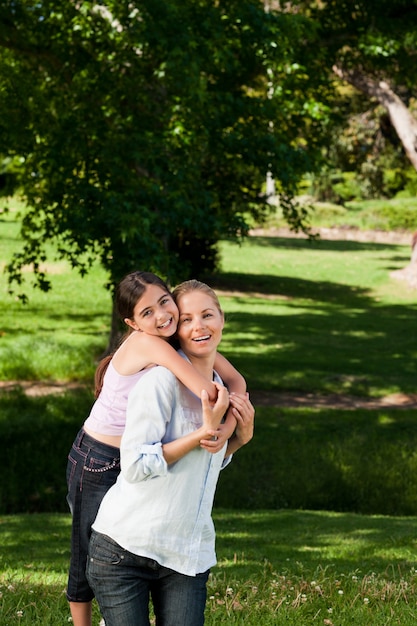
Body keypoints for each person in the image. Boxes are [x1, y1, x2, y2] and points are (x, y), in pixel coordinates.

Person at [66, 271, 247, 626]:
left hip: (129, 454)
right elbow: (207, 391)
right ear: (133, 323)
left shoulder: (177, 341)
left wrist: (230, 432)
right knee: (86, 550)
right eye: (147, 312)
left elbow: (236, 381)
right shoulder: (152, 346)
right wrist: (215, 428)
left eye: (165, 302)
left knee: (134, 508)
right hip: (97, 458)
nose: (162, 315)